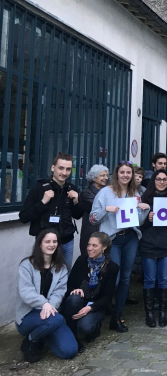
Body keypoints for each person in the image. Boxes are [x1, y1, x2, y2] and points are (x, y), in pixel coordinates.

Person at [90, 161, 150, 332]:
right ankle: (100, 313)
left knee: (125, 278)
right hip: (112, 239)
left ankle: (117, 316)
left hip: (130, 238)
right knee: (113, 279)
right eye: (122, 172)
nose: (125, 175)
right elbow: (93, 218)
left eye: (128, 173)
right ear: (117, 174)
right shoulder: (105, 192)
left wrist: (144, 210)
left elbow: (139, 221)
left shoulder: (135, 193)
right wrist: (106, 209)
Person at [16, 229, 77, 362]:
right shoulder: (27, 265)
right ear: (40, 244)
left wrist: (50, 307)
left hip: (51, 313)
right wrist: (44, 303)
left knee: (69, 351)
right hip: (29, 315)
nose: (52, 244)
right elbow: (26, 291)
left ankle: (44, 334)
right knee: (57, 320)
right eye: (47, 241)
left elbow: (59, 292)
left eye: (55, 241)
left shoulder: (61, 268)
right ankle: (31, 341)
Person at [19, 152, 83, 271]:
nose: (64, 173)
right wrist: (42, 202)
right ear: (53, 168)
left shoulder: (72, 189)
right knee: (44, 276)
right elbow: (23, 217)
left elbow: (78, 216)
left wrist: (76, 202)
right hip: (46, 243)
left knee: (64, 276)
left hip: (67, 242)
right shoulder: (39, 188)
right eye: (61, 168)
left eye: (68, 169)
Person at [140, 171, 167, 327]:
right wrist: (147, 219)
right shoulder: (145, 198)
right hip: (148, 244)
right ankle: (150, 313)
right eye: (158, 179)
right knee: (150, 279)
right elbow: (137, 223)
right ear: (153, 181)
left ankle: (163, 313)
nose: (162, 182)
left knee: (164, 278)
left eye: (165, 179)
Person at [62, 232, 119, 351]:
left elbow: (107, 297)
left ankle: (94, 326)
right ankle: (73, 335)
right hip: (78, 302)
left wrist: (90, 308)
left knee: (85, 327)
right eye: (89, 245)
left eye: (94, 245)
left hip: (94, 305)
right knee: (74, 298)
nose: (90, 248)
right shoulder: (81, 261)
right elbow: (68, 285)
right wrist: (74, 290)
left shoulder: (112, 268)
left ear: (104, 247)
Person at [79, 164, 109, 253]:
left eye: (106, 175)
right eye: (102, 175)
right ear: (94, 178)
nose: (106, 178)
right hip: (91, 231)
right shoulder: (86, 193)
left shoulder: (107, 191)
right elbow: (97, 207)